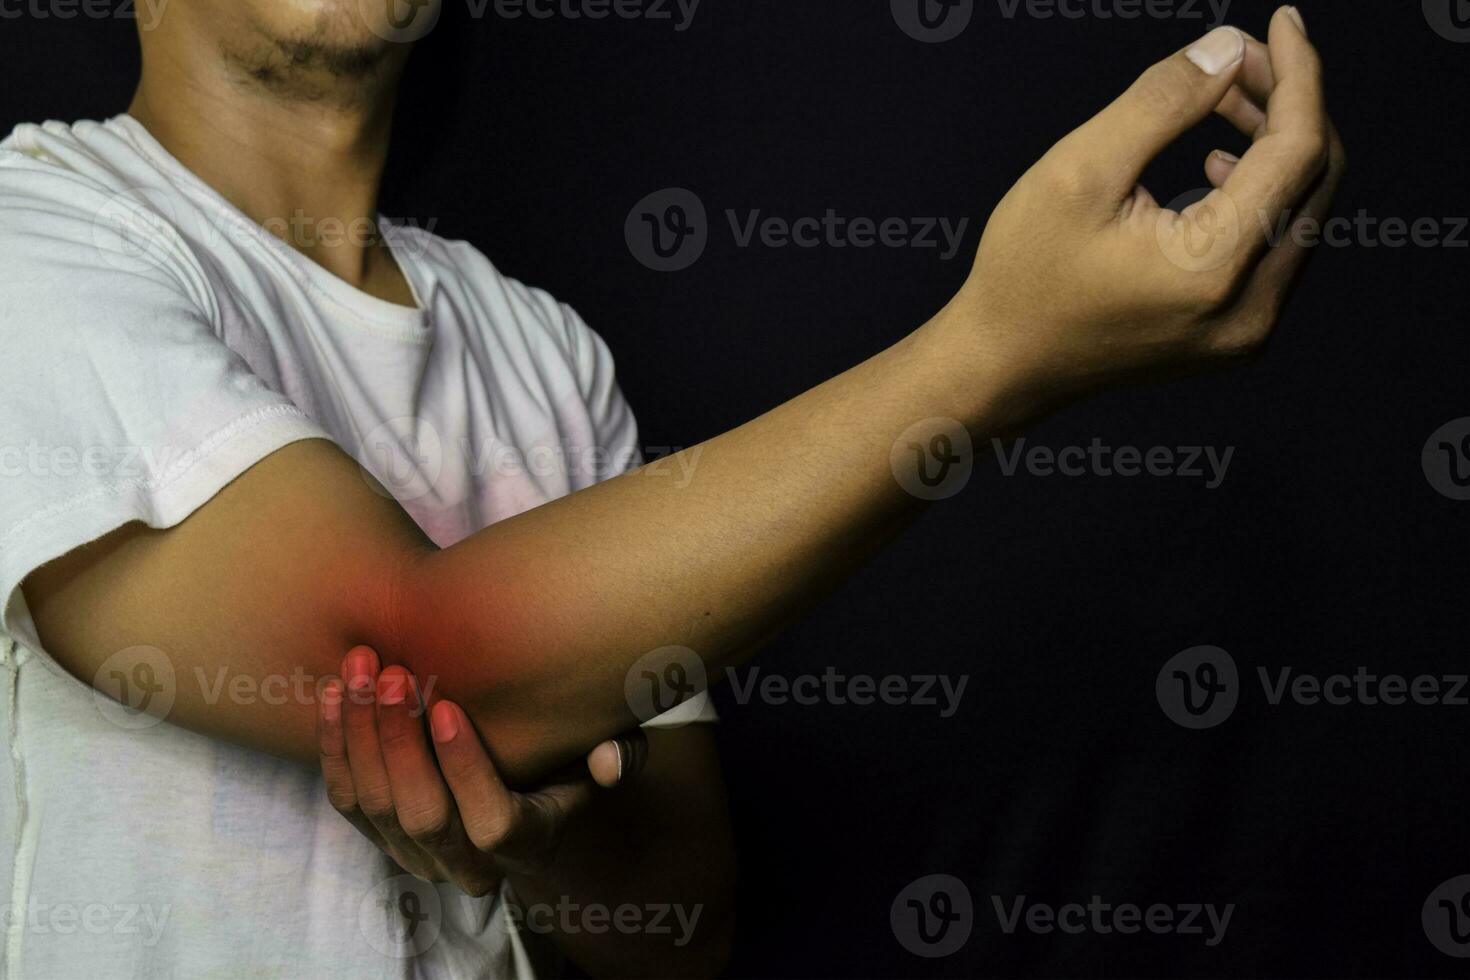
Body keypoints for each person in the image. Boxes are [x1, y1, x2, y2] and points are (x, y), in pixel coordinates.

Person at [0, 1, 1342, 976]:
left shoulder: (546, 347)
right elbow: (413, 653)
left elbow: (682, 926)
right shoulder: (35, 232)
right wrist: (993, 354)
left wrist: (538, 839)